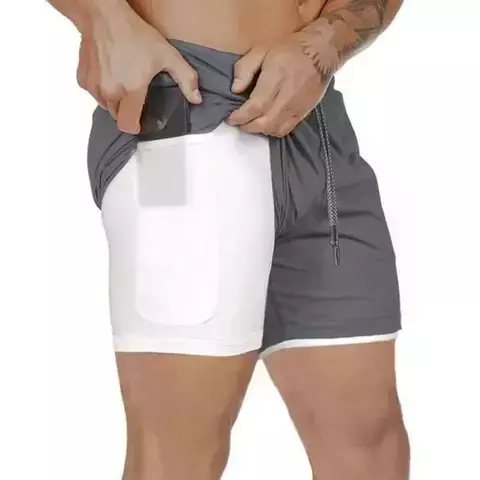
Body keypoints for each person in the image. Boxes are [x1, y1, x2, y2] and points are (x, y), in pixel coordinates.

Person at [48, 0, 410, 478]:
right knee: (179, 453)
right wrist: (104, 18)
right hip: (181, 110)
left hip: (316, 122)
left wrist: (326, 43)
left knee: (368, 437)